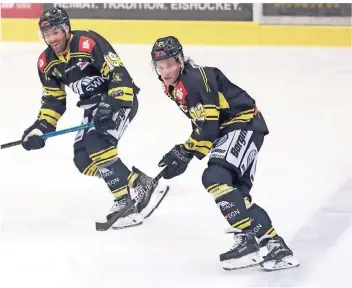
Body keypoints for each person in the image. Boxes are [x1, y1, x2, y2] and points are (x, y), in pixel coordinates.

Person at [151, 36, 299, 271]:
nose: (165, 71)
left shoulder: (194, 79)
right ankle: (276, 247)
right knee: (236, 195)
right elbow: (203, 125)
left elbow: (208, 127)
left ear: (180, 61)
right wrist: (187, 154)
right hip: (232, 129)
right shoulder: (173, 87)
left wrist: (185, 150)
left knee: (214, 178)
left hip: (243, 123)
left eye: (169, 64)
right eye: (159, 66)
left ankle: (247, 240)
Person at [21, 7, 169, 229]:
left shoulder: (88, 42)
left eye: (55, 33)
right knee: (84, 160)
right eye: (47, 35)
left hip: (119, 99)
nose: (52, 39)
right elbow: (53, 101)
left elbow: (120, 75)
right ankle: (142, 184)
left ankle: (123, 202)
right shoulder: (46, 62)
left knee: (97, 143)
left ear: (66, 29)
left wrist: (110, 105)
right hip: (92, 109)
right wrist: (40, 129)